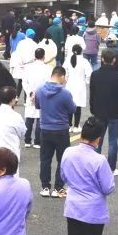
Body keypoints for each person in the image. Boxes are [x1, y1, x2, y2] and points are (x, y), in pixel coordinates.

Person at [60, 117, 115, 235]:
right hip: (93, 210)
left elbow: (63, 176)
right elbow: (108, 188)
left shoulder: (68, 152)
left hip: (73, 207)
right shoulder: (99, 160)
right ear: (98, 138)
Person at [35, 66, 76, 198]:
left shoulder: (39, 90)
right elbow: (72, 109)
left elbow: (37, 105)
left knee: (45, 159)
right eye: (65, 77)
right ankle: (58, 188)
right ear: (62, 76)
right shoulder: (65, 93)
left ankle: (45, 187)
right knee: (62, 159)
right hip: (61, 129)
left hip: (45, 128)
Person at [90, 49, 118, 175]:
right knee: (113, 141)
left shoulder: (95, 74)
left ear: (102, 59)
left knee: (97, 140)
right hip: (115, 113)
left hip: (99, 111)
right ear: (114, 60)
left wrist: (93, 108)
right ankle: (111, 167)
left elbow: (92, 94)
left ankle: (95, 165)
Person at [0, 86, 27, 179]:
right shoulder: (16, 116)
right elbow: (22, 132)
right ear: (13, 100)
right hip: (10, 152)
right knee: (10, 179)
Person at [21, 46, 50, 149]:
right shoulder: (47, 68)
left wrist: (30, 93)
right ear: (43, 56)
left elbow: (24, 82)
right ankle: (37, 141)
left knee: (29, 118)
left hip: (30, 95)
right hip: (42, 95)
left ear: (35, 56)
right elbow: (48, 83)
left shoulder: (28, 67)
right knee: (39, 118)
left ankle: (27, 140)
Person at [65, 44, 92, 133]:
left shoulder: (68, 60)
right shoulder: (84, 61)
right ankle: (76, 126)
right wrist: (87, 81)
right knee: (78, 106)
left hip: (69, 85)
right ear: (81, 51)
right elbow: (89, 73)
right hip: (80, 85)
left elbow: (64, 71)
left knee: (69, 105)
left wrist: (66, 79)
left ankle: (69, 125)